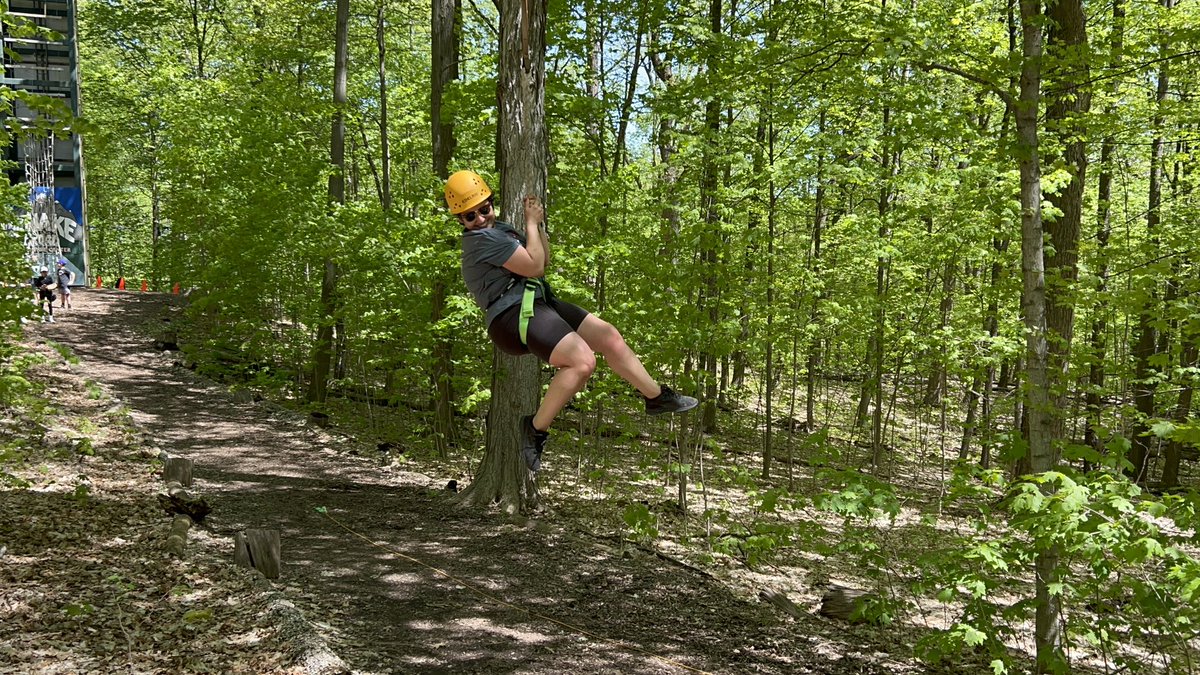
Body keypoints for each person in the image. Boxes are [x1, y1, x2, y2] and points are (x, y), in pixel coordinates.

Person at [446, 170, 698, 472]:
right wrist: (530, 224)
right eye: (470, 216)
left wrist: (537, 226)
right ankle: (534, 429)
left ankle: (656, 397)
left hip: (535, 300)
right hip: (510, 316)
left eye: (484, 209)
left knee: (608, 337)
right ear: (461, 221)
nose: (480, 219)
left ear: (491, 204)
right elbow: (535, 267)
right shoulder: (481, 240)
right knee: (582, 362)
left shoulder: (500, 230)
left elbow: (543, 258)